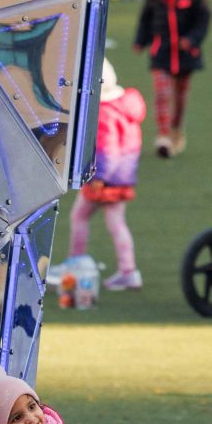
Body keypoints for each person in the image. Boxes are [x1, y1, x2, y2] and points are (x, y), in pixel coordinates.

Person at [66, 60, 145, 292]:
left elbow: (107, 149)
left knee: (79, 217)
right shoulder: (126, 107)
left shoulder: (104, 113)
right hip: (122, 177)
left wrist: (98, 176)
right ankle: (129, 271)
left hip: (104, 179)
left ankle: (75, 262)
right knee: (117, 224)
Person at [134, 0, 208, 158]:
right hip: (162, 52)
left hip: (186, 55)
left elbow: (203, 20)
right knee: (162, 93)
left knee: (180, 97)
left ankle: (176, 129)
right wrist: (141, 40)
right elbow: (146, 18)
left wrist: (192, 40)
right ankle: (163, 135)